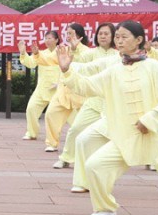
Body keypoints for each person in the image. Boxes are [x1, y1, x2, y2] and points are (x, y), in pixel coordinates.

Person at [57, 21, 158, 215]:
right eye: (117, 37)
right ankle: (105, 207)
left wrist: (149, 121)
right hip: (126, 138)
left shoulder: (154, 67)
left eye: (124, 37)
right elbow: (86, 87)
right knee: (95, 165)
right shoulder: (114, 70)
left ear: (139, 40)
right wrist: (66, 71)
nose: (119, 41)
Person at [55, 23, 119, 170]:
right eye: (100, 33)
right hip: (93, 100)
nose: (103, 36)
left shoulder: (117, 55)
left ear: (113, 37)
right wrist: (75, 50)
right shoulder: (91, 53)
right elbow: (77, 63)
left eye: (106, 34)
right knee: (76, 129)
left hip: (112, 103)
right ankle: (66, 158)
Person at [42, 23, 90, 153]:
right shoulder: (63, 49)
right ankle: (52, 143)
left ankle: (86, 146)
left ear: (79, 35)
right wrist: (33, 54)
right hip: (63, 90)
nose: (68, 36)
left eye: (71, 33)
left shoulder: (87, 51)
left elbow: (86, 68)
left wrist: (75, 50)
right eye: (67, 33)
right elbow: (47, 59)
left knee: (83, 123)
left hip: (80, 91)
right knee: (50, 114)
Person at [18, 31, 60, 145]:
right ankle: (32, 133)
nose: (47, 40)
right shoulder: (40, 53)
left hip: (59, 90)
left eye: (50, 38)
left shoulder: (61, 52)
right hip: (42, 88)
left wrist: (61, 82)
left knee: (62, 116)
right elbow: (30, 63)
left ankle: (76, 133)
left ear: (56, 40)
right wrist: (23, 53)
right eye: (46, 38)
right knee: (31, 109)